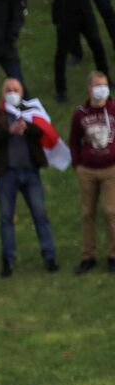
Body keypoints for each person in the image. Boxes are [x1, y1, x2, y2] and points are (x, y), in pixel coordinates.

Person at [0, 79, 60, 277]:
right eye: (8, 90)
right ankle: (8, 261)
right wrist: (9, 131)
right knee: (6, 218)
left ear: (22, 91)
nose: (12, 92)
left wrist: (27, 127)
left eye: (15, 89)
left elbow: (41, 133)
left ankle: (49, 256)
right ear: (3, 93)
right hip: (6, 173)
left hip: (30, 171)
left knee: (40, 214)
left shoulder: (31, 112)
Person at [69, 75, 115, 274]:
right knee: (87, 213)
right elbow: (74, 141)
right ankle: (88, 255)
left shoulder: (113, 109)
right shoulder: (80, 114)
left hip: (110, 169)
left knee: (110, 212)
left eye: (104, 85)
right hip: (87, 170)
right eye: (98, 85)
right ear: (89, 88)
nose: (102, 89)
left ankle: (113, 254)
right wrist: (77, 164)